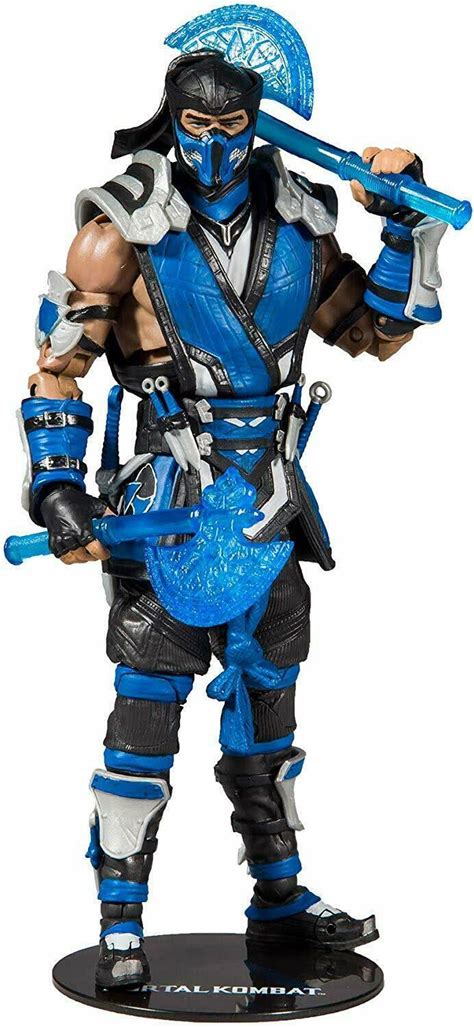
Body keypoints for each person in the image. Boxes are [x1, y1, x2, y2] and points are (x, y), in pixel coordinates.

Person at [20, 51, 445, 988]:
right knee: (145, 712)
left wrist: (405, 227)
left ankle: (279, 896)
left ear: (257, 124)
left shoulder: (301, 222)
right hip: (168, 504)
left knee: (267, 710)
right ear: (170, 119)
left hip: (267, 502)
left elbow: (373, 332)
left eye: (232, 128)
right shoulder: (115, 231)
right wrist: (57, 487)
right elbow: (57, 368)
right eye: (196, 128)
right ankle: (120, 920)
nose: (214, 148)